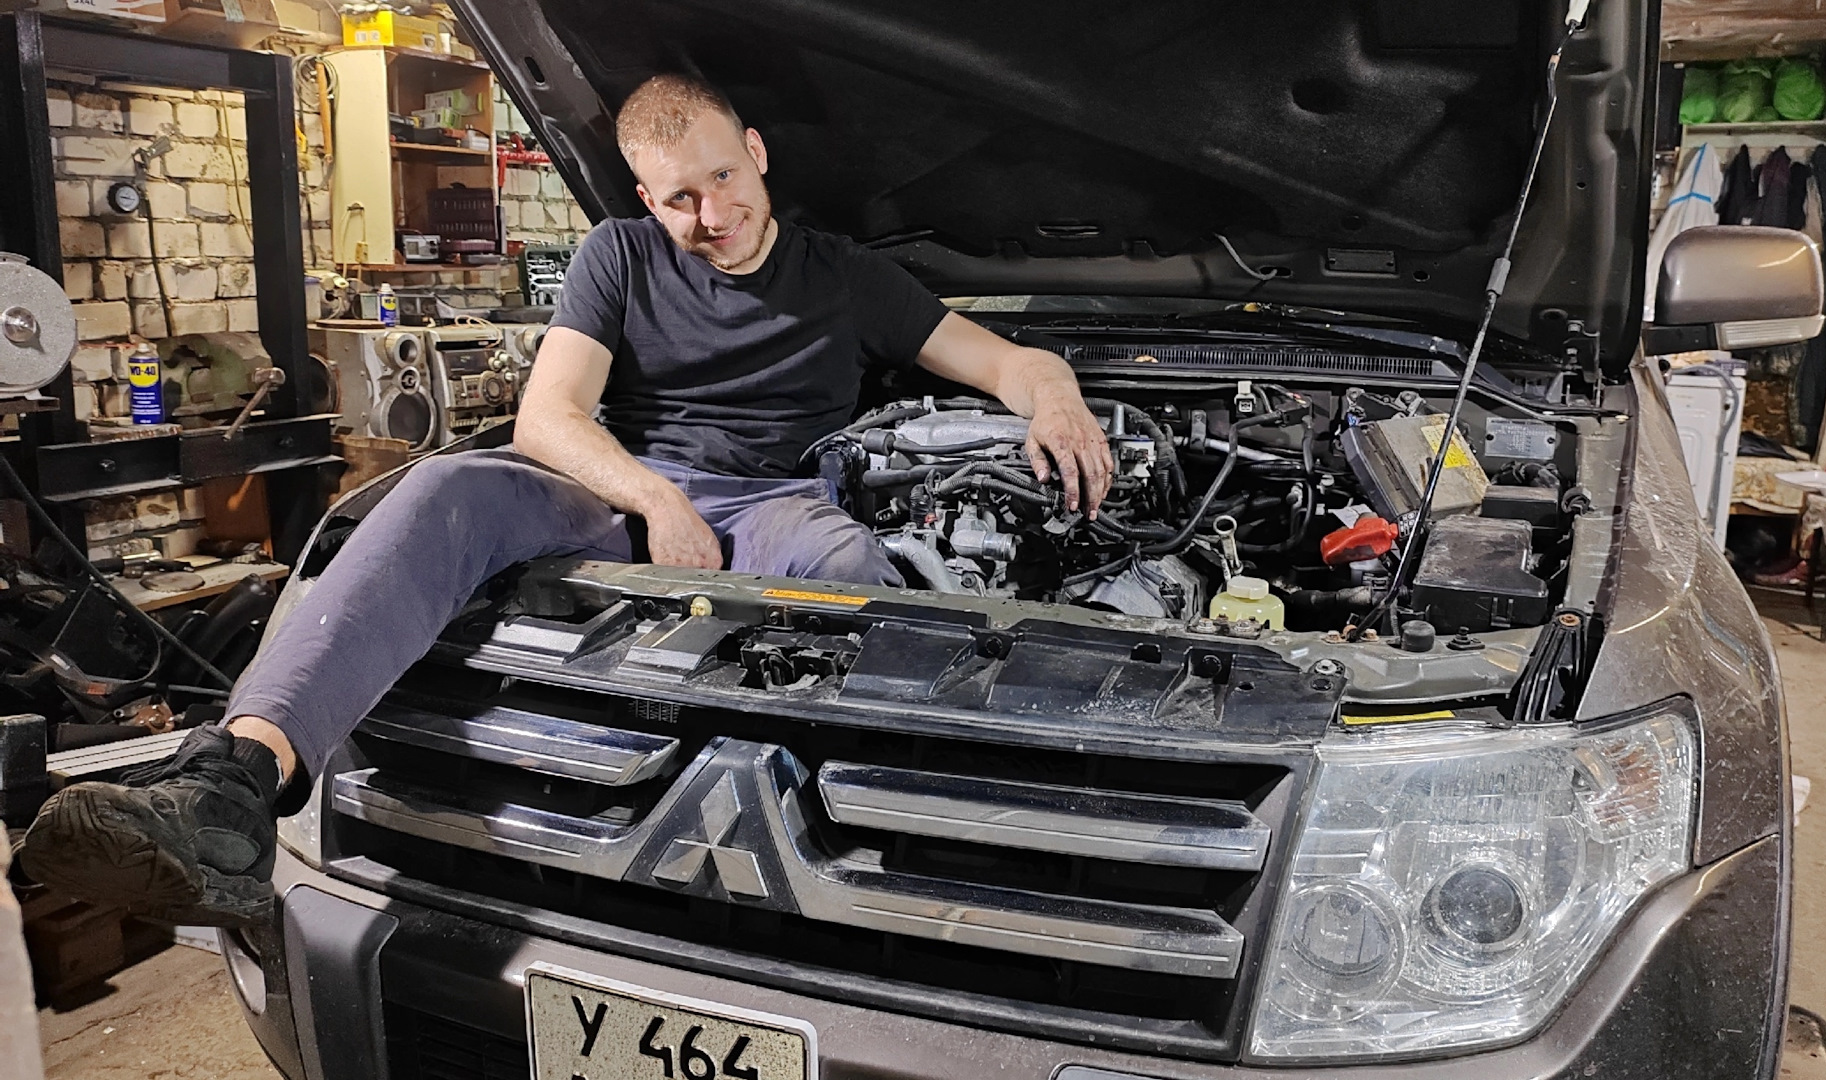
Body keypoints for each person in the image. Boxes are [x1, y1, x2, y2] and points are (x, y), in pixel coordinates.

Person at [15, 73, 1113, 927]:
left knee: (857, 579)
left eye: (723, 179)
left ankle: (885, 877)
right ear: (644, 198)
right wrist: (658, 501)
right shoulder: (618, 257)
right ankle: (231, 787)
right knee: (445, 487)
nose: (712, 214)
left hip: (776, 498)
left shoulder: (847, 276)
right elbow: (548, 419)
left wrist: (1056, 396)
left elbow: (1003, 362)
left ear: (758, 153)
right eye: (678, 198)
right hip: (620, 492)